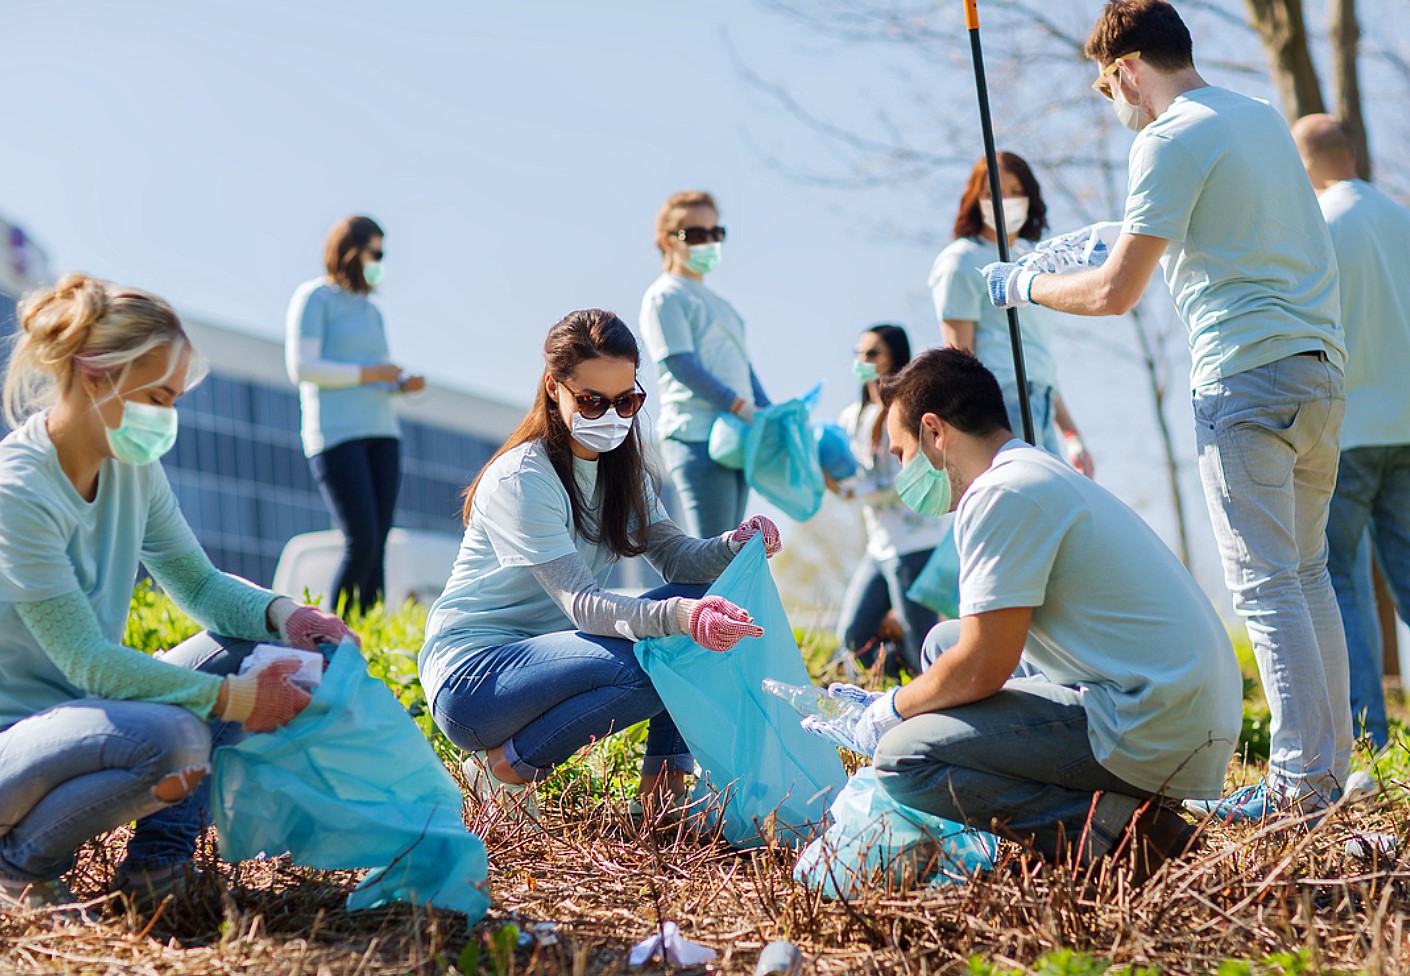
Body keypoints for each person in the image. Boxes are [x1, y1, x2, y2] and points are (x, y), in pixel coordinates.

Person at [980, 0, 1349, 822]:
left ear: (1127, 71)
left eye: (1106, 88)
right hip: (1319, 373)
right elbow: (1229, 229)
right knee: (1309, 575)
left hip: (1244, 380)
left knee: (1266, 586)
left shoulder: (1166, 137)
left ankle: (1295, 789)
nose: (1113, 106)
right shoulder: (1255, 115)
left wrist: (1023, 285)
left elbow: (1115, 294)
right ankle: (1325, 778)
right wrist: (1118, 229)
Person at [803, 348, 1241, 880]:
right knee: (943, 643)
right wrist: (911, 702)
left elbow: (982, 668)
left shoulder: (1001, 494)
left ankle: (1121, 832)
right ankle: (1098, 814)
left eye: (900, 454)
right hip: (1173, 706)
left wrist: (891, 709)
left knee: (904, 758)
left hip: (1152, 723)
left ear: (935, 432)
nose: (901, 473)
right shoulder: (1030, 473)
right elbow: (969, 653)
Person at [0, 274, 359, 910]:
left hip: (83, 717)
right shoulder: (19, 492)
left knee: (256, 649)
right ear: (93, 375)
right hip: (13, 743)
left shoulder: (132, 466)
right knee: (176, 740)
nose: (166, 419)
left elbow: (195, 582)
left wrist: (288, 617)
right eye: (157, 397)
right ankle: (19, 865)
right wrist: (236, 699)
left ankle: (155, 875)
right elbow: (87, 660)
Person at [419, 309, 780, 816]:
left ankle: (662, 796)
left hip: (555, 662)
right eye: (591, 401)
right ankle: (505, 767)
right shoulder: (523, 478)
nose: (612, 416)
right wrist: (679, 619)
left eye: (627, 400)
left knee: (702, 606)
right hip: (476, 683)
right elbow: (584, 606)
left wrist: (731, 546)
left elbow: (676, 558)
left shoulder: (623, 474)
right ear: (554, 388)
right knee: (657, 655)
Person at [1293, 113, 1410, 751]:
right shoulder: (1402, 218)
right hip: (1408, 425)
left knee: (1340, 580)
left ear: (1305, 164)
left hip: (1347, 431)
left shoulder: (1320, 228)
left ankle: (1371, 740)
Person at [285, 215, 426, 616]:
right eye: (375, 253)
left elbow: (378, 373)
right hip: (335, 435)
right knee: (361, 540)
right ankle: (334, 635)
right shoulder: (314, 298)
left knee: (378, 542)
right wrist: (369, 373)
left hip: (382, 432)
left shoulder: (371, 312)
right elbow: (303, 368)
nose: (380, 261)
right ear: (351, 251)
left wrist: (398, 382)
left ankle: (370, 636)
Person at [928, 153, 1093, 473]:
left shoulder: (1034, 264)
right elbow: (958, 360)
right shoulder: (962, 261)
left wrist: (1071, 433)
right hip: (1000, 403)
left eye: (1016, 191)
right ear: (975, 199)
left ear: (1030, 197)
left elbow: (1038, 360)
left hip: (1040, 402)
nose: (1006, 201)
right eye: (993, 193)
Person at [640, 190, 770, 538]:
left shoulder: (723, 305)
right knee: (712, 554)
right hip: (696, 436)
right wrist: (739, 404)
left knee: (730, 552)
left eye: (716, 233)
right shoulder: (666, 295)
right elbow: (680, 363)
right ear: (667, 241)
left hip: (738, 436)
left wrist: (768, 412)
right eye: (696, 234)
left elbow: (744, 368)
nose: (709, 242)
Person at [832, 325, 946, 676]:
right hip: (878, 546)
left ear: (893, 359)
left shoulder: (910, 411)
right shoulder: (852, 416)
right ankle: (902, 690)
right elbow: (850, 471)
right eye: (859, 353)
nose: (862, 361)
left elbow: (910, 476)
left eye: (872, 354)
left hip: (915, 543)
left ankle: (936, 701)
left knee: (922, 643)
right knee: (853, 637)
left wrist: (857, 491)